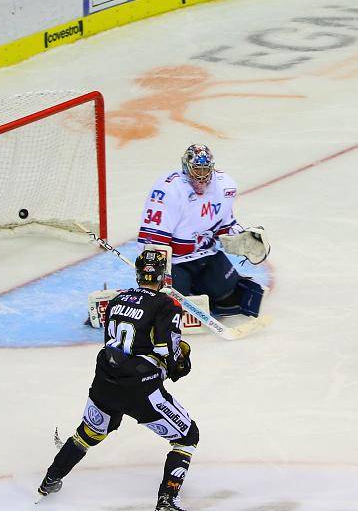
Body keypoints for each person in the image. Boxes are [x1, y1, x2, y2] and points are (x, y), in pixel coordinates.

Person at [37, 250, 198, 511]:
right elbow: (167, 350)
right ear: (163, 276)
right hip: (140, 388)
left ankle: (49, 481)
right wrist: (180, 364)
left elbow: (112, 344)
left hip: (106, 381)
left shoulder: (116, 300)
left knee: (88, 433)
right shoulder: (167, 305)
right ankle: (167, 500)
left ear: (138, 274)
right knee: (187, 437)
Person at [138, 144, 270, 318]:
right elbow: (151, 240)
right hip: (175, 262)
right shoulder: (168, 190)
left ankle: (198, 288)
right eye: (196, 170)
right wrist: (157, 274)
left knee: (230, 297)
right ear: (186, 168)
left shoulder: (225, 186)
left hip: (206, 255)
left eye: (205, 170)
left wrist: (240, 237)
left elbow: (225, 225)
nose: (201, 177)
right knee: (168, 308)